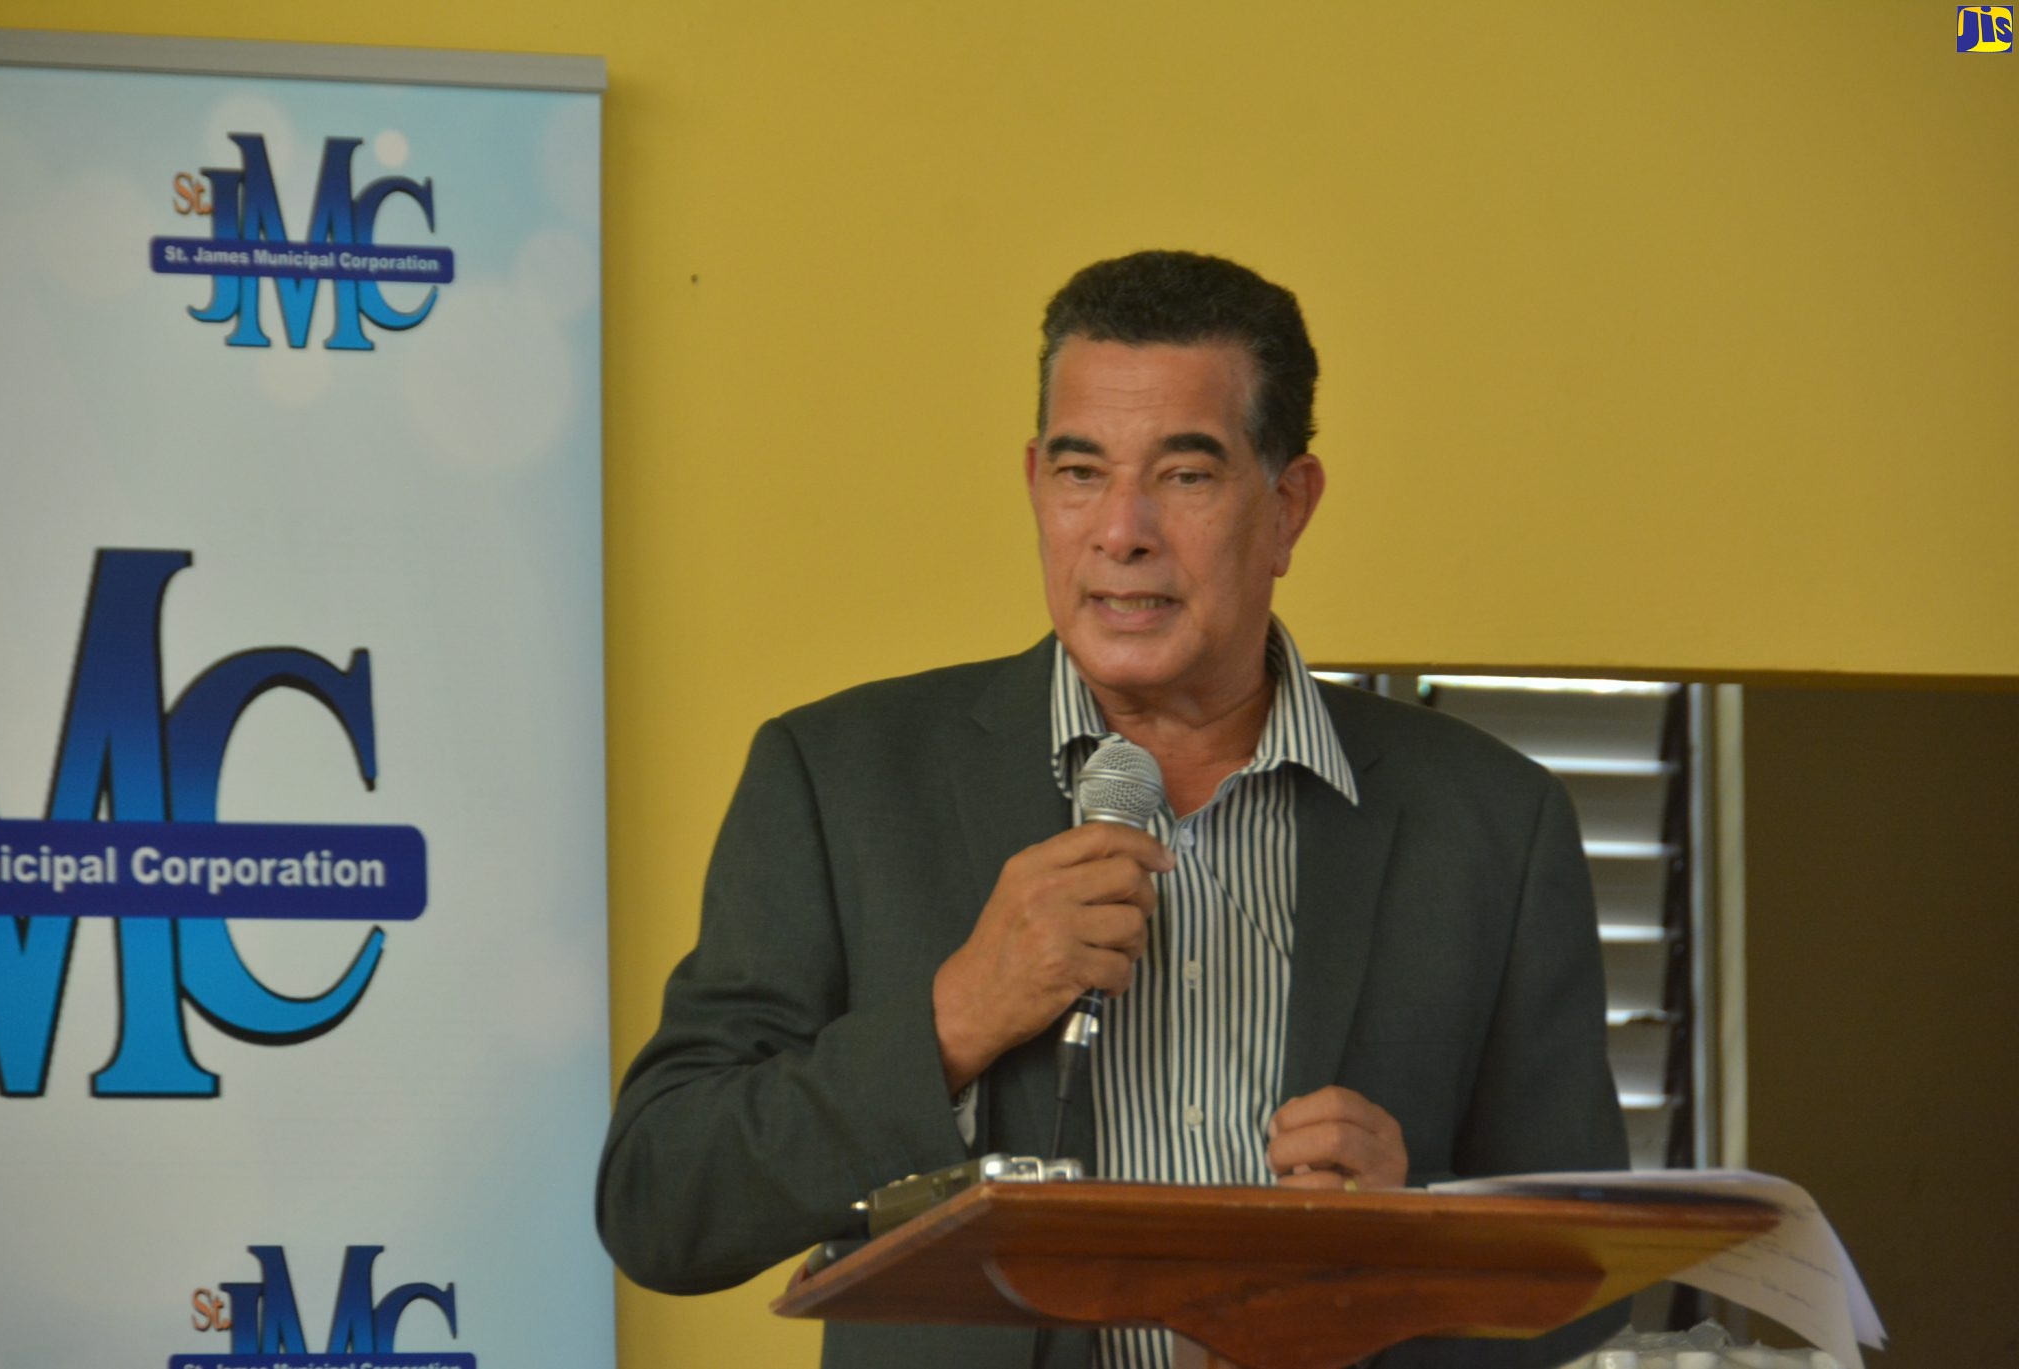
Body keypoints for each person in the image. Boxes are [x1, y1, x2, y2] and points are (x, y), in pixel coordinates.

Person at [598, 251, 1629, 1369]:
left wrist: (1406, 1247)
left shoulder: (1490, 822)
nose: (1120, 530)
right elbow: (662, 1201)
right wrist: (951, 1019)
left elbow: (1584, 1292)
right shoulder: (838, 778)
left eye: (1184, 476)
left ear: (1286, 507)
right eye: (1082, 473)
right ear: (1037, 484)